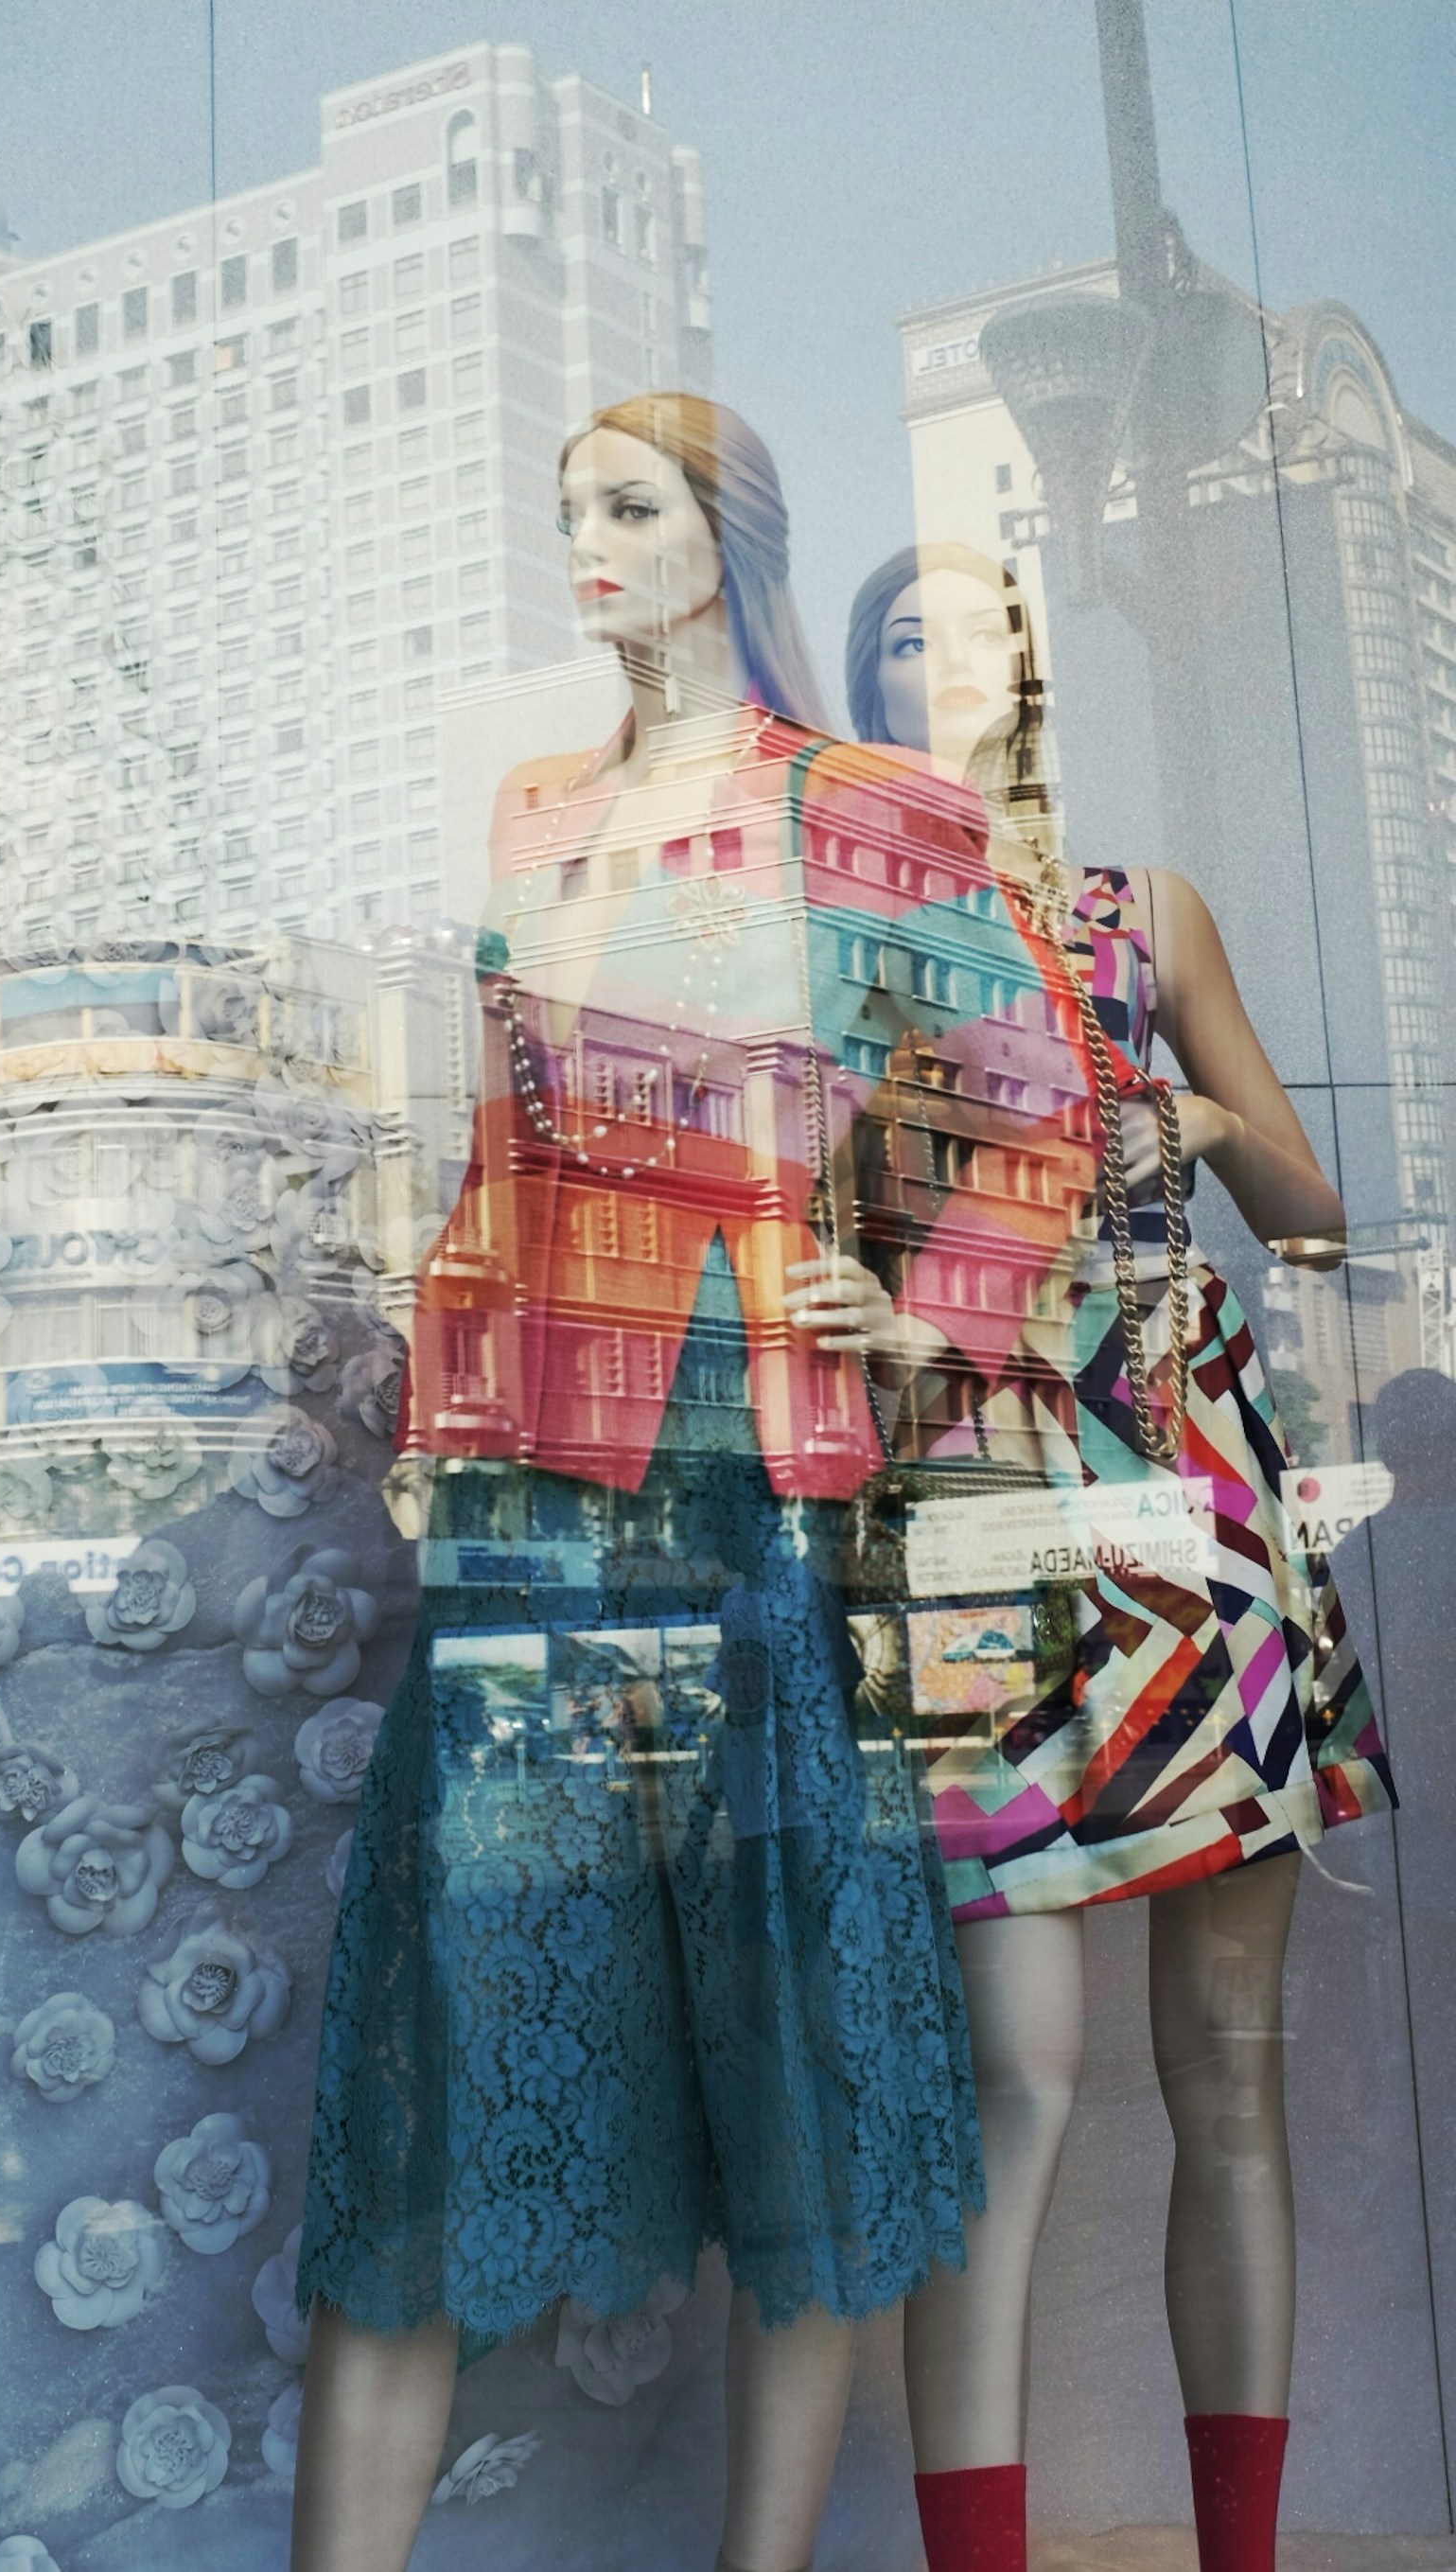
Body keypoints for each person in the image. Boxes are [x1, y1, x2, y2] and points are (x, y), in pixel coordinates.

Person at [289, 411, 1102, 2572]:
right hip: (544, 1471)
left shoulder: (869, 816)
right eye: (562, 509)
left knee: (788, 2008)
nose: (585, 546)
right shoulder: (538, 811)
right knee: (455, 1996)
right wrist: (440, 1403)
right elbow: (499, 1150)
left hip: (764, 1450)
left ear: (728, 541)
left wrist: (928, 1306)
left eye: (626, 510)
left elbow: (1037, 1106)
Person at [825, 543, 1397, 2572]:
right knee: (1013, 2090)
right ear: (864, 685)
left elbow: (1314, 1210)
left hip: (1195, 1499)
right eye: (903, 632)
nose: (944, 658)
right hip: (972, 1515)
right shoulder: (836, 940)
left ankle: (1238, 2555)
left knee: (1226, 2069)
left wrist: (1194, 1117)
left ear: (1034, 670)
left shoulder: (1143, 915)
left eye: (977, 624)